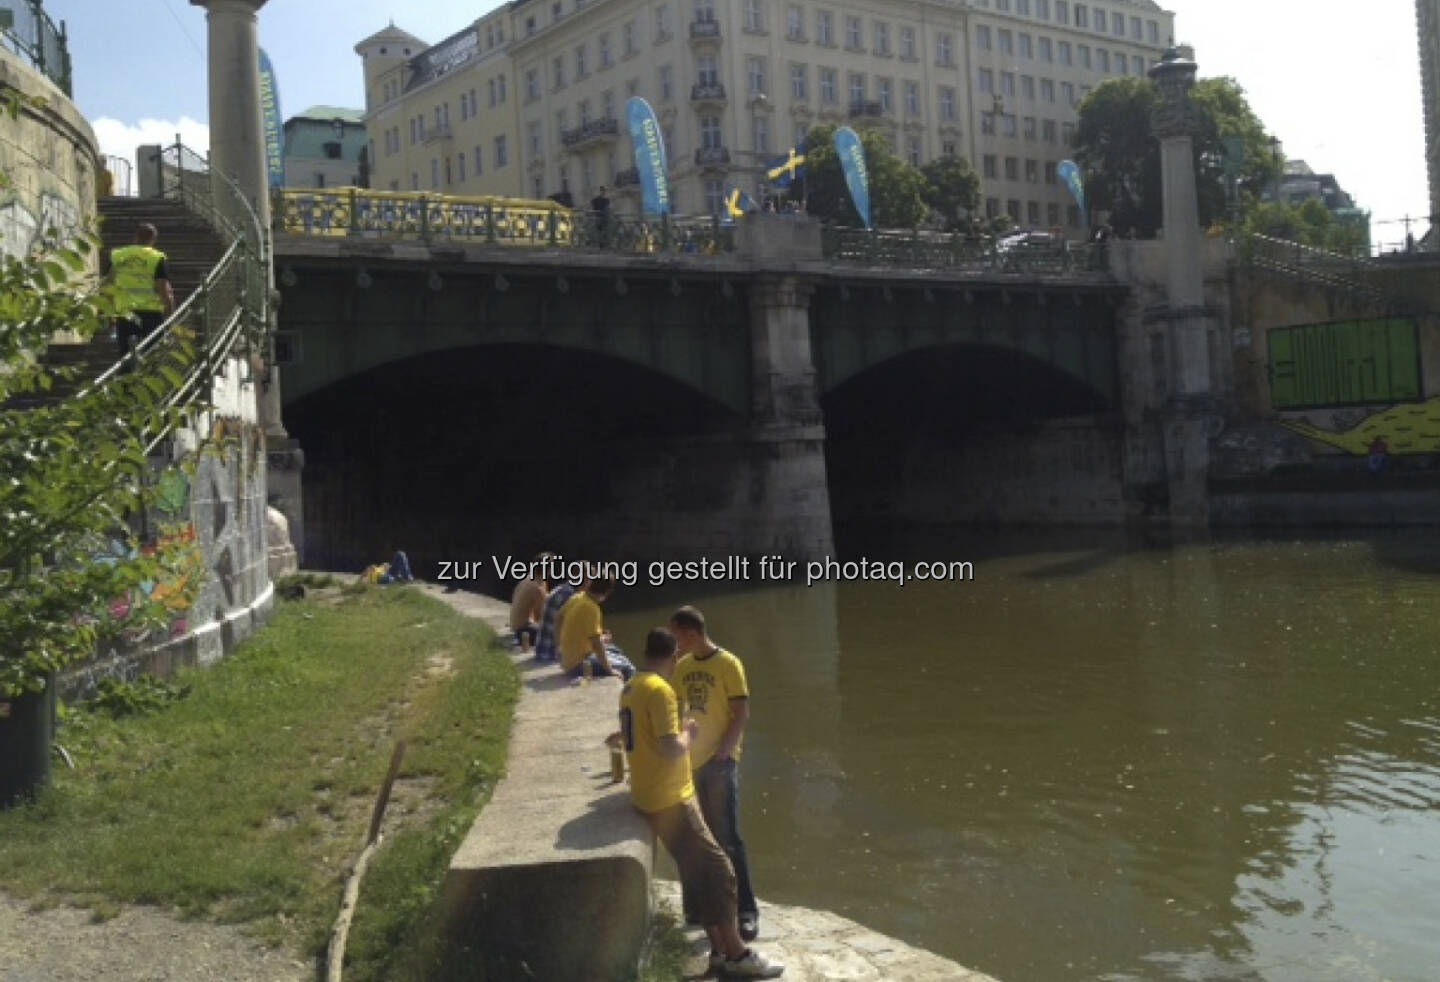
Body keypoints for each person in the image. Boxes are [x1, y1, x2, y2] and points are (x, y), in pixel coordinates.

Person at [613, 628, 784, 978]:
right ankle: (737, 955)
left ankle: (719, 952)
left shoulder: (631, 687)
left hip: (649, 794)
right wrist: (689, 732)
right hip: (670, 799)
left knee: (698, 873)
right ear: (674, 655)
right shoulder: (660, 691)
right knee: (721, 872)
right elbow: (670, 747)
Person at [669, 605, 761, 941]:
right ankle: (698, 909)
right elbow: (675, 708)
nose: (674, 641)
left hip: (719, 763)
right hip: (690, 765)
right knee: (696, 840)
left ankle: (746, 911)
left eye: (677, 634)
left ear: (691, 633)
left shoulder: (729, 663)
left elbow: (741, 713)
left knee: (727, 838)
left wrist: (726, 750)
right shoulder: (682, 666)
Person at [108, 223, 176, 362]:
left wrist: (111, 314)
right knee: (153, 354)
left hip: (125, 313)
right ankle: (150, 380)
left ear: (135, 236)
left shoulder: (117, 255)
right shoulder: (156, 257)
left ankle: (126, 382)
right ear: (153, 239)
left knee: (126, 355)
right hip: (151, 314)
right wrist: (170, 316)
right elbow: (164, 289)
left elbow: (108, 286)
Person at [557, 576, 634, 680]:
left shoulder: (578, 597)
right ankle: (631, 695)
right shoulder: (591, 608)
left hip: (569, 659)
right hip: (578, 664)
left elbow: (559, 617)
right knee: (628, 668)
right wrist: (609, 670)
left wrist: (559, 646)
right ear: (607, 592)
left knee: (616, 650)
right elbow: (596, 644)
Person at [509, 553, 551, 652]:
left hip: (516, 626)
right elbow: (540, 618)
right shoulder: (537, 589)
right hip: (524, 629)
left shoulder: (527, 579)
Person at [534, 570, 579, 664]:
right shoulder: (570, 596)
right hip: (551, 654)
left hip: (542, 649)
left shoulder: (561, 589)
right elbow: (571, 633)